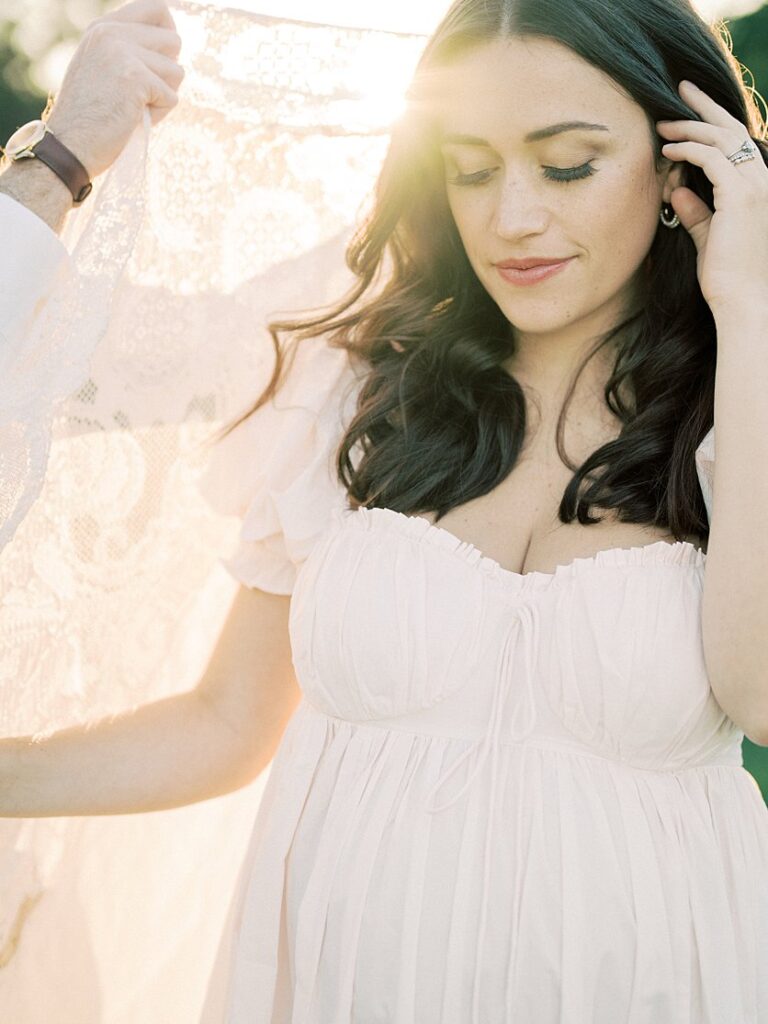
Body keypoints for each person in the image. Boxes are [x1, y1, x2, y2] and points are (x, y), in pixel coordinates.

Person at [2, 0, 768, 1020]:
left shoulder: (744, 403)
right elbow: (227, 723)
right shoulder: (356, 389)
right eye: (471, 166)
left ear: (685, 166)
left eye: (569, 163)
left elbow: (757, 691)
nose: (511, 217)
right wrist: (50, 166)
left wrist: (752, 307)